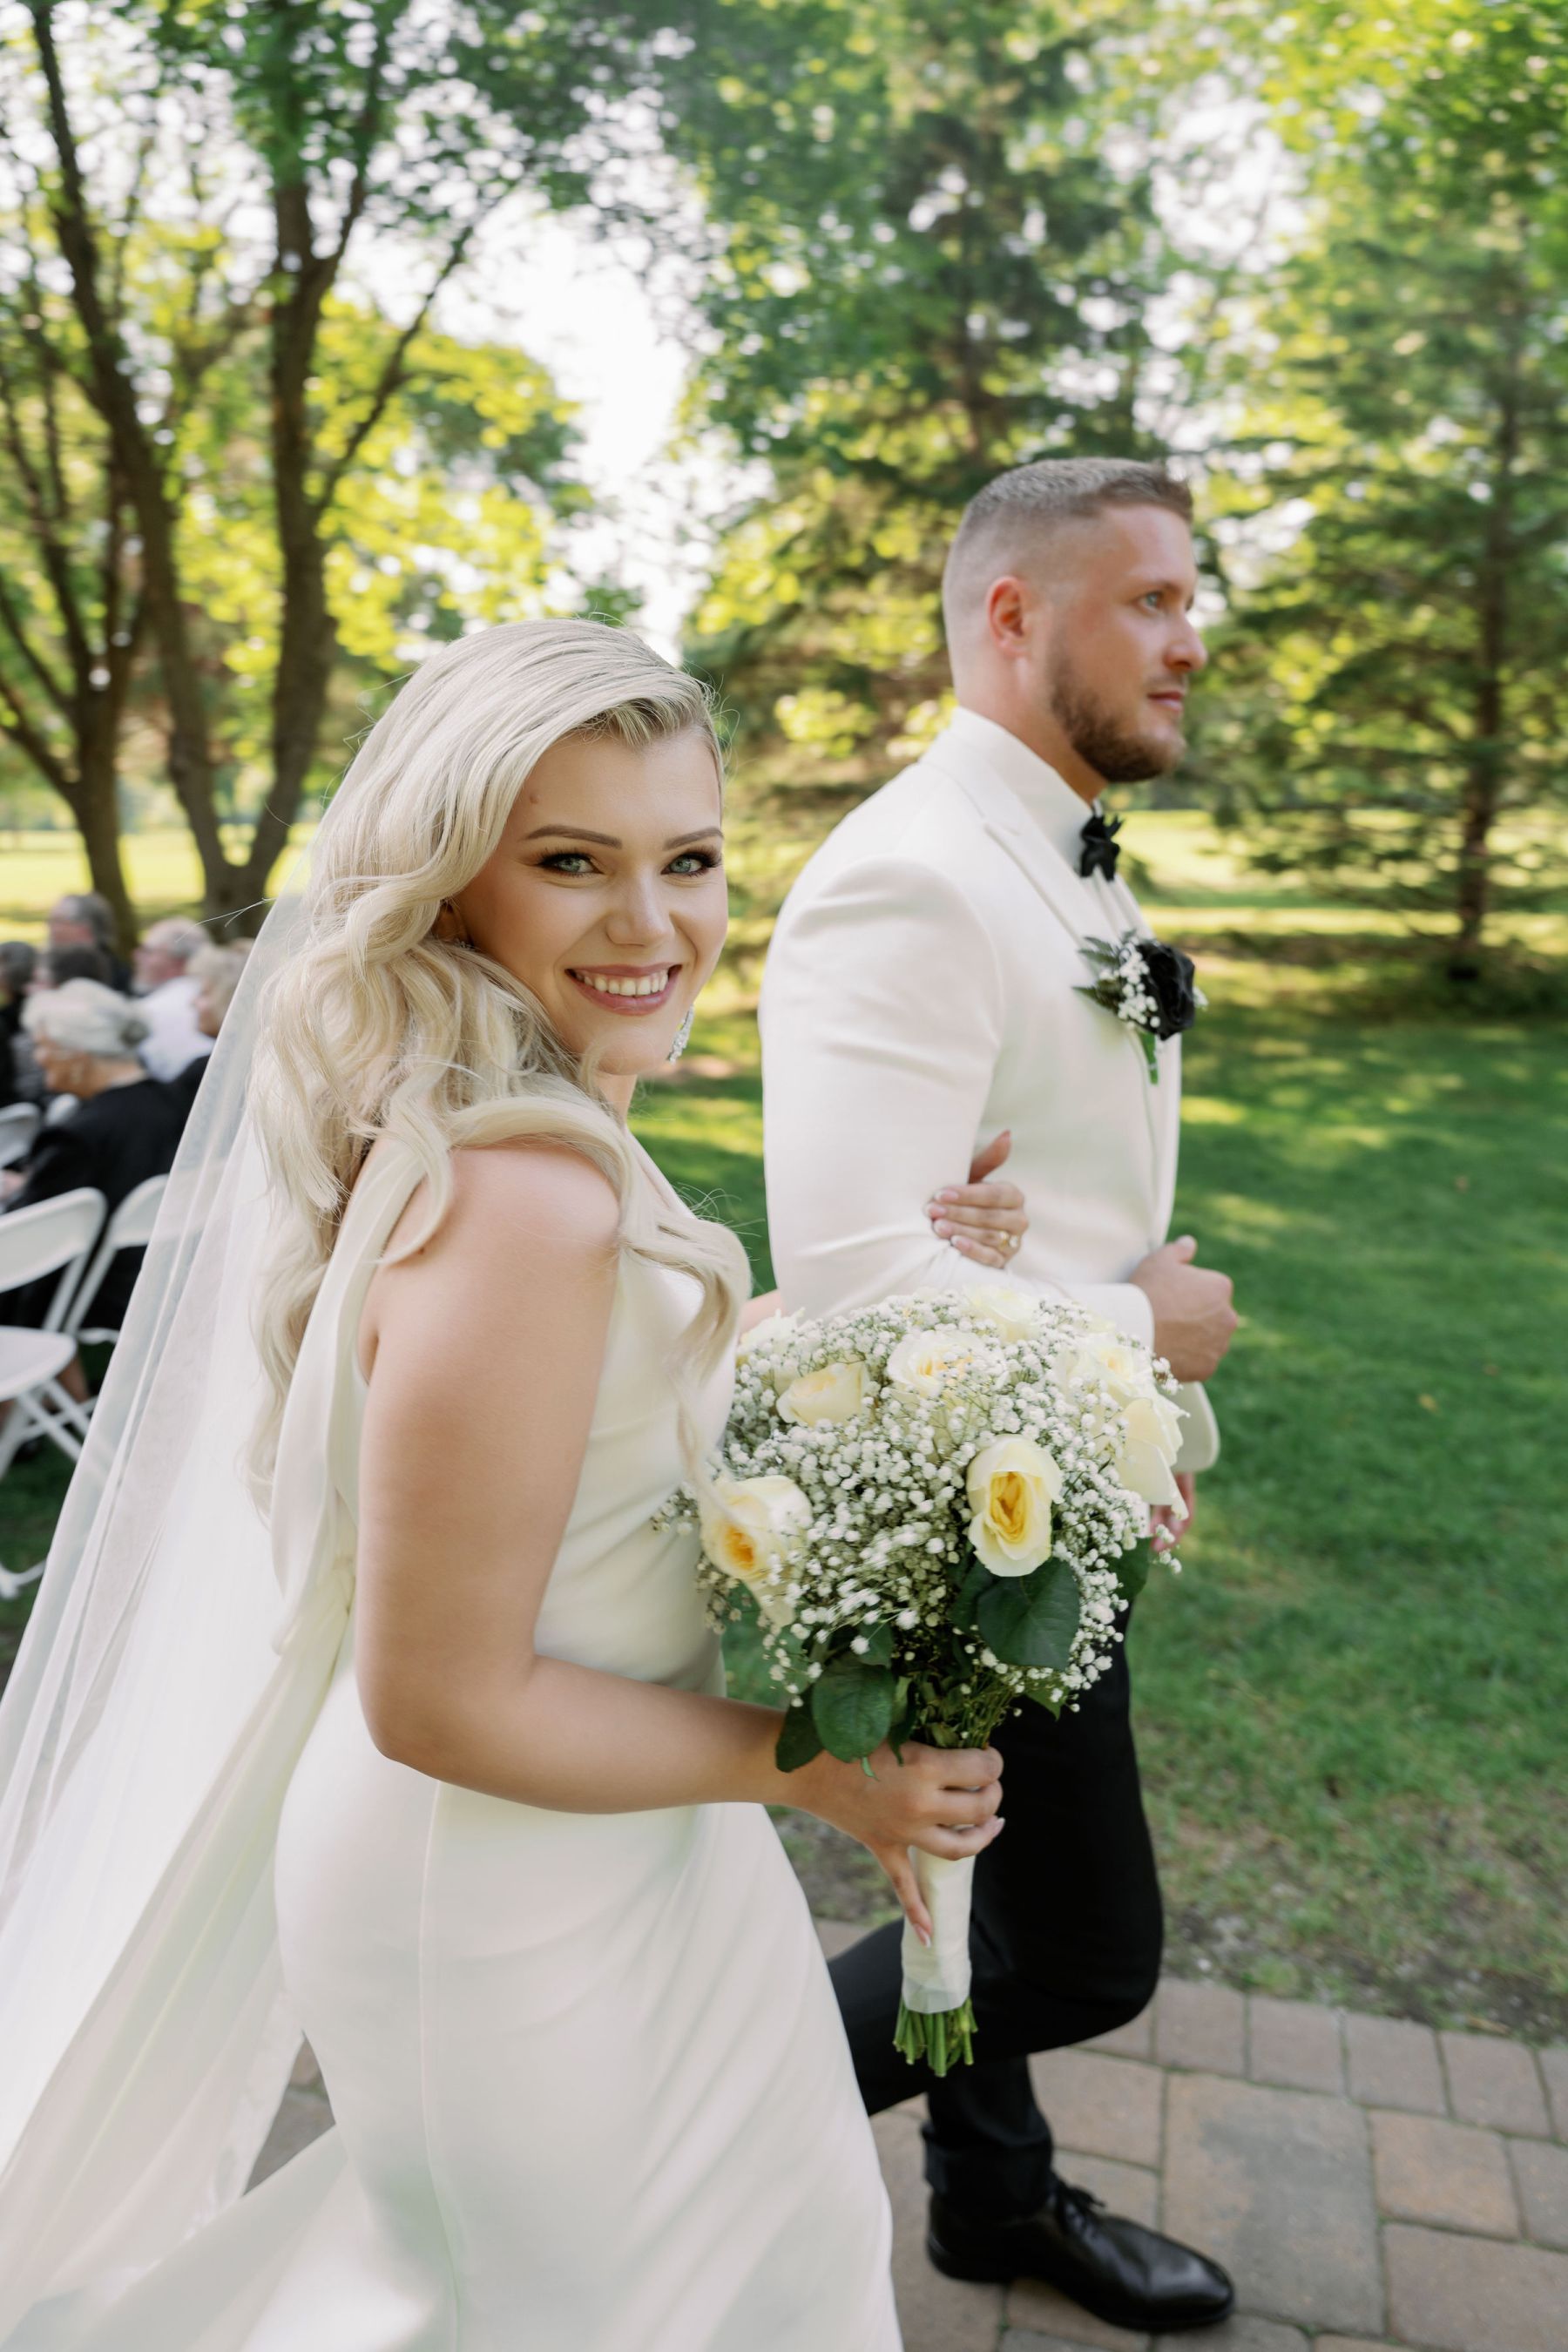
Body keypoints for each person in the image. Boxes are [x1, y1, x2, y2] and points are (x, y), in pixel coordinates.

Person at [0, 619, 1026, 2349]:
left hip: (612, 1840)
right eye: (574, 865)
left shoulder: (515, 1132)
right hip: (497, 1883)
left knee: (736, 2265)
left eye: (688, 860)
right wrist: (821, 1772)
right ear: (458, 887)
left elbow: (615, 1402)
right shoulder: (523, 1202)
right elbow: (439, 1697)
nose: (654, 925)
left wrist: (884, 1286)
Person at [760, 458, 1240, 2337]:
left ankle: (992, 2202)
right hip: (958, 1514)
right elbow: (854, 1284)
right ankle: (704, 2101)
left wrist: (1094, 1350)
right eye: (1152, 601)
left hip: (1049, 1474)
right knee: (1082, 1950)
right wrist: (1137, 1325)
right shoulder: (908, 868)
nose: (1192, 641)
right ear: (1014, 618)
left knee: (994, 1910)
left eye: (1194, 601)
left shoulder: (1047, 846)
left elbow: (974, 1216)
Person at [0, 981, 188, 1338]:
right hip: (162, 1274)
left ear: (76, 1055)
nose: (36, 1058)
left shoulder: (80, 1136)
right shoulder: (172, 1100)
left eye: (42, 1046)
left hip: (86, 1294)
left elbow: (32, 1238)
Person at [132, 916, 214, 1083]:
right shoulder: (220, 999)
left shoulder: (148, 1010)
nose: (137, 957)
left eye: (149, 951)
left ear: (178, 960)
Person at [46, 890, 132, 992]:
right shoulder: (47, 964)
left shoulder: (114, 975)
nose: (52, 928)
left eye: (59, 921)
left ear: (85, 928)